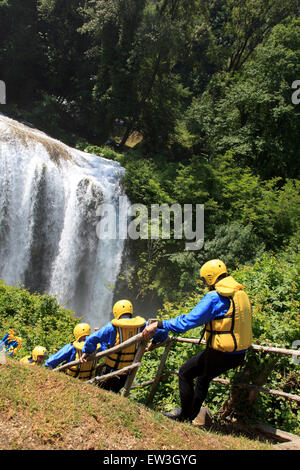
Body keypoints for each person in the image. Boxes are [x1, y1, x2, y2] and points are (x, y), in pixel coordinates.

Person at [142, 259, 253, 423]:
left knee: (185, 372)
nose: (204, 284)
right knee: (203, 378)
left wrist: (159, 324)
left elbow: (185, 323)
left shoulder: (214, 298)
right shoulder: (239, 294)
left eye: (204, 280)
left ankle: (184, 416)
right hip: (238, 354)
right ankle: (190, 414)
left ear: (210, 278)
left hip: (220, 353)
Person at [80, 300, 164, 393]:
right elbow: (163, 331)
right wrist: (154, 342)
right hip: (128, 372)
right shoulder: (143, 326)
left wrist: (87, 352)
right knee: (115, 391)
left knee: (102, 390)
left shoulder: (112, 327)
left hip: (111, 370)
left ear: (116, 312)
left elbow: (92, 339)